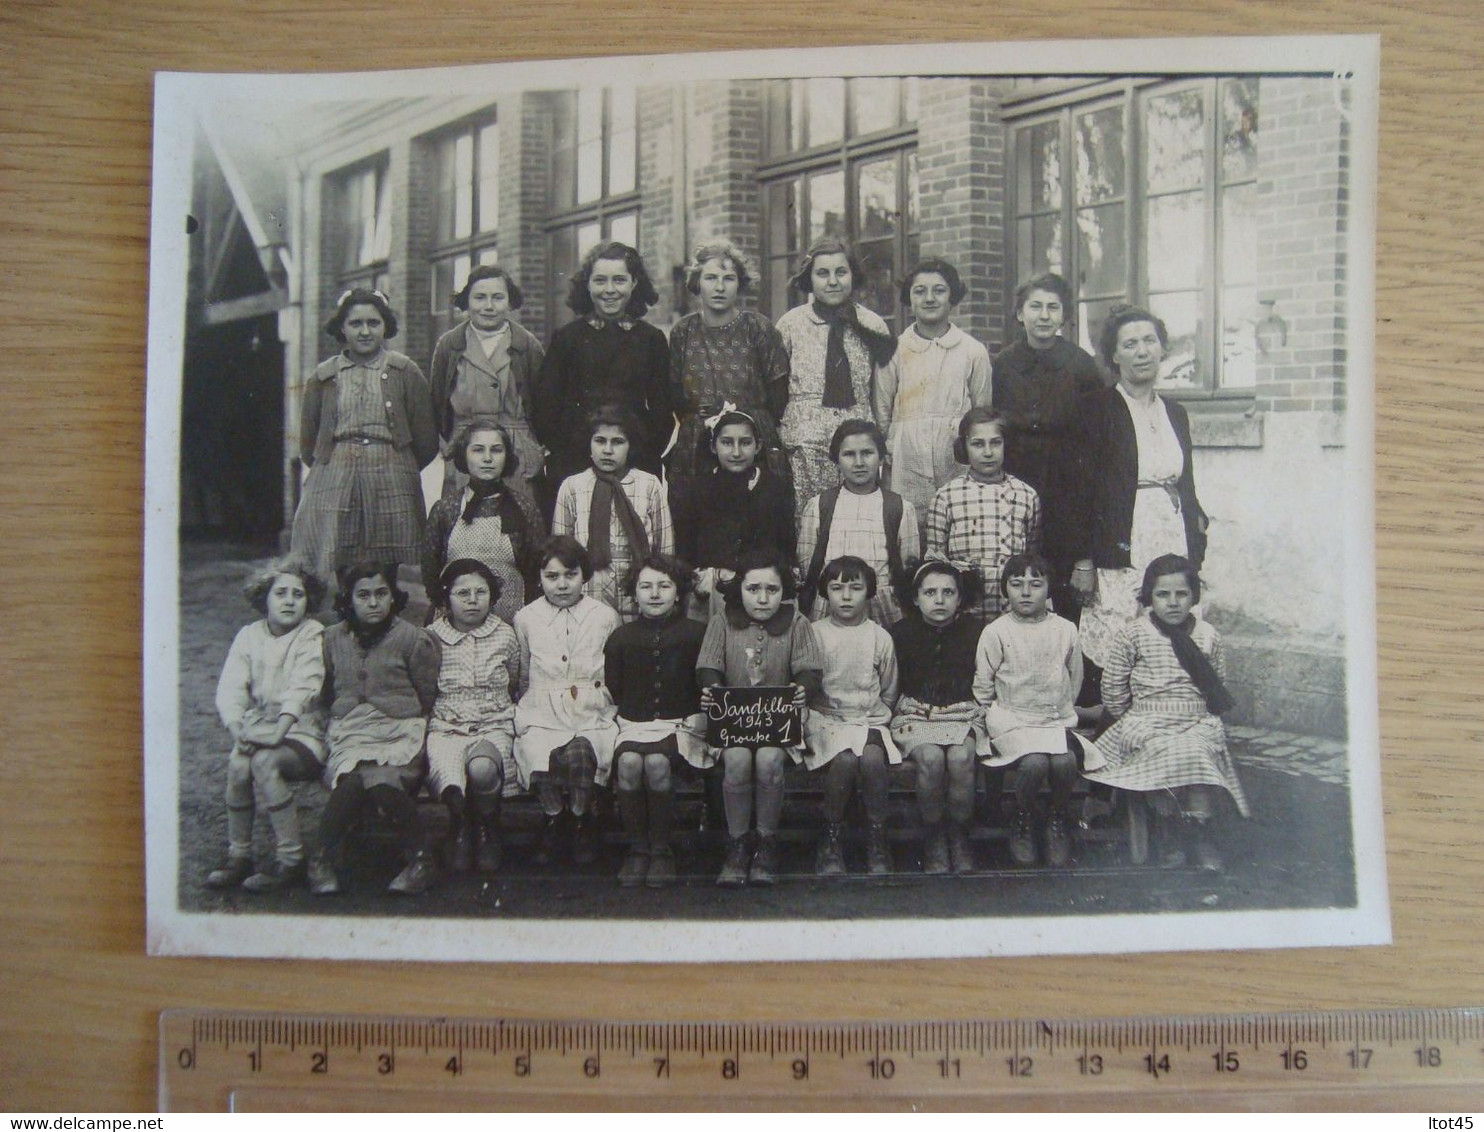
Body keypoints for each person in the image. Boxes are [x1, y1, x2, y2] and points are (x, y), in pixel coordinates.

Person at [1071, 306, 1209, 692]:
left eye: (1150, 341)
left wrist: (1197, 537)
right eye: (1129, 344)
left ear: (1163, 348)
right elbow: (1078, 491)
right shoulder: (1096, 409)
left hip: (1170, 533)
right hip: (1121, 535)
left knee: (1170, 621)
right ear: (1114, 356)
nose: (1142, 351)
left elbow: (1188, 484)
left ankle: (1169, 714)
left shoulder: (1176, 413)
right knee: (1123, 630)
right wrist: (1082, 557)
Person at [1084, 555, 1247, 870]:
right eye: (1163, 595)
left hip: (1194, 721)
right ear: (1149, 597)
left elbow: (1218, 682)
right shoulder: (1134, 634)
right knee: (1162, 750)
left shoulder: (1208, 635)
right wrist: (1134, 719)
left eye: (1181, 594)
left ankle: (1198, 834)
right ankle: (1168, 830)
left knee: (1197, 750)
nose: (1173, 603)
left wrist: (1201, 718)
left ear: (1193, 596)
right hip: (1148, 721)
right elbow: (1114, 689)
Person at [308, 563, 442, 896]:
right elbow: (324, 693)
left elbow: (427, 694)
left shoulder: (412, 638)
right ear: (349, 600)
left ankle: (421, 860)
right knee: (354, 779)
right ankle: (320, 858)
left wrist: (405, 716)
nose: (373, 603)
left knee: (382, 779)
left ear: (393, 597)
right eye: (363, 595)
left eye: (381, 594)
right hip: (351, 730)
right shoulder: (331, 638)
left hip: (400, 730)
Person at [290, 288, 438, 579]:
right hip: (335, 474)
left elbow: (426, 437)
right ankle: (348, 617)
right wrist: (332, 465)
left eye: (373, 323)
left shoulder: (404, 370)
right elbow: (308, 442)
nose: (365, 331)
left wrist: (398, 464)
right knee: (341, 562)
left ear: (386, 326)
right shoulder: (324, 376)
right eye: (356, 324)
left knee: (384, 568)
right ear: (342, 328)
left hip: (391, 474)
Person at [697, 549, 823, 887]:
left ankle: (766, 842)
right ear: (739, 589)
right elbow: (709, 666)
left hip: (778, 724)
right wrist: (711, 687)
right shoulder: (723, 620)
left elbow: (809, 669)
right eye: (754, 589)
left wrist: (802, 688)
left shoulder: (797, 622)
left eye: (772, 589)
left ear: (784, 591)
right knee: (737, 760)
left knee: (768, 760)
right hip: (734, 723)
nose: (763, 598)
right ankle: (737, 844)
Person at [973, 553, 1106, 868]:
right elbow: (983, 684)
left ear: (1049, 589)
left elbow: (1075, 676)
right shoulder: (996, 632)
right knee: (1033, 764)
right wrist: (989, 718)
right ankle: (1022, 819)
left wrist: (1064, 708)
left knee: (1064, 763)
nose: (1026, 592)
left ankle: (1055, 820)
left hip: (1052, 719)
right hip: (1012, 719)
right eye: (1017, 584)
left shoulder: (1065, 629)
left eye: (1035, 584)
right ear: (1005, 589)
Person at [206, 558, 328, 893]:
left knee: (264, 762)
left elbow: (305, 687)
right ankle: (239, 856)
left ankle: (292, 861)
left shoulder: (311, 634)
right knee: (238, 765)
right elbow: (230, 690)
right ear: (265, 599)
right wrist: (237, 730)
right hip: (261, 728)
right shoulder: (248, 636)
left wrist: (277, 733)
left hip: (304, 731)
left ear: (309, 601)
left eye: (298, 594)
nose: (289, 601)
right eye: (281, 593)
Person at [992, 273, 1105, 618]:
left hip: (1068, 486)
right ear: (1020, 313)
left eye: (1052, 308)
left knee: (1064, 584)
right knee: (1019, 574)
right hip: (1017, 480)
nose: (1044, 315)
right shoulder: (1004, 364)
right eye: (1035, 306)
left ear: (1064, 315)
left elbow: (1095, 435)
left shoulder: (1082, 364)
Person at [512, 536, 621, 866]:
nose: (562, 585)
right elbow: (524, 671)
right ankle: (553, 816)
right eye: (552, 576)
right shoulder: (526, 618)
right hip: (542, 705)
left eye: (570, 575)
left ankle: (580, 817)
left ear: (584, 575)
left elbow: (613, 670)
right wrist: (525, 703)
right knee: (536, 749)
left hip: (591, 706)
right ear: (540, 578)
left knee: (585, 752)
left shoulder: (604, 616)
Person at [534, 241, 675, 496]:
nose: (609, 290)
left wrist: (639, 451)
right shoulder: (566, 339)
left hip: (635, 463)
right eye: (600, 281)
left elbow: (662, 410)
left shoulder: (651, 339)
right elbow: (545, 408)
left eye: (619, 280)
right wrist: (567, 450)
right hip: (573, 465)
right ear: (587, 284)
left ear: (634, 283)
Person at [604, 555, 708, 889]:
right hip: (634, 724)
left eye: (664, 586)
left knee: (658, 764)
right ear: (634, 593)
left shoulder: (696, 634)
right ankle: (638, 849)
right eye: (646, 586)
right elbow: (615, 687)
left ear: (678, 592)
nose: (655, 593)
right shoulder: (621, 638)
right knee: (631, 764)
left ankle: (662, 850)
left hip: (682, 725)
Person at [776, 236, 897, 503]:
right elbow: (776, 389)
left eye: (841, 272)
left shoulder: (871, 324)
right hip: (804, 445)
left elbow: (883, 391)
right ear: (810, 278)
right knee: (807, 523)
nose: (833, 281)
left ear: (853, 275)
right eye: (823, 273)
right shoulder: (791, 324)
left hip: (857, 448)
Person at [874, 258, 993, 525]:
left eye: (939, 290)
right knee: (907, 528)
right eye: (920, 291)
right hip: (906, 457)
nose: (929, 298)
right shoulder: (893, 350)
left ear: (952, 296)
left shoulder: (972, 351)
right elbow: (881, 411)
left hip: (954, 457)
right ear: (909, 299)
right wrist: (890, 448)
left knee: (958, 524)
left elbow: (982, 415)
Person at [803, 556, 902, 877]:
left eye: (855, 588)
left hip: (867, 719)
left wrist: (874, 713)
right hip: (825, 721)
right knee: (844, 761)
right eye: (837, 588)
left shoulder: (879, 637)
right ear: (825, 593)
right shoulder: (814, 634)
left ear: (869, 592)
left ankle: (877, 835)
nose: (846, 596)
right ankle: (830, 837)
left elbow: (888, 689)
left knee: (872, 760)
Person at [889, 561, 985, 875]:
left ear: (960, 598)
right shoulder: (901, 633)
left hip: (962, 712)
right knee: (930, 759)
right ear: (915, 598)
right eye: (930, 592)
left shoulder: (976, 632)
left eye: (948, 592)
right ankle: (933, 836)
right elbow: (891, 684)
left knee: (961, 758)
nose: (939, 600)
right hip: (916, 713)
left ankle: (958, 835)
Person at [426, 559, 520, 875]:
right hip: (446, 727)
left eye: (481, 592)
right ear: (446, 599)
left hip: (493, 724)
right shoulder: (430, 639)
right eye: (462, 593)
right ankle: (460, 826)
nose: (472, 600)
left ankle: (487, 828)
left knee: (482, 770)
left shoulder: (505, 635)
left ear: (492, 598)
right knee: (450, 780)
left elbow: (516, 680)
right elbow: (424, 688)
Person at [668, 242, 791, 480]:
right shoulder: (683, 331)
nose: (719, 287)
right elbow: (675, 395)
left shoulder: (758, 328)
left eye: (729, 278)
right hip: (697, 441)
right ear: (697, 283)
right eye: (711, 278)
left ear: (740, 284)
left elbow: (778, 394)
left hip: (750, 440)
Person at [427, 265, 547, 509]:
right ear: (467, 301)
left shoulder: (526, 345)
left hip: (515, 449)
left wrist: (534, 445)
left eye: (497, 297)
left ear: (510, 302)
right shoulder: (450, 345)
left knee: (518, 525)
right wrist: (449, 443)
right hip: (466, 447)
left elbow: (543, 402)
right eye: (480, 297)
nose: (489, 306)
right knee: (464, 521)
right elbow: (436, 400)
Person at [669, 405, 796, 620]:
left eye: (745, 443)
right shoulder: (698, 490)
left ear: (758, 447)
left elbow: (786, 543)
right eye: (727, 443)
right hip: (712, 592)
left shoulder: (775, 488)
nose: (736, 452)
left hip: (762, 591)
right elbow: (685, 547)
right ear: (713, 446)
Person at [551, 405, 673, 620]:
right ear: (588, 444)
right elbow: (561, 554)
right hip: (589, 597)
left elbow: (665, 550)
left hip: (638, 597)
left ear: (630, 446)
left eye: (617, 442)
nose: (607, 450)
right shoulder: (572, 487)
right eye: (600, 441)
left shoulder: (649, 485)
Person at [421, 419, 543, 627]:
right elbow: (431, 572)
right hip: (454, 622)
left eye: (496, 450)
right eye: (478, 450)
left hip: (511, 621)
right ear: (464, 456)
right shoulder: (445, 509)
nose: (487, 459)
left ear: (507, 457)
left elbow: (534, 570)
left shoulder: (525, 508)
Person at [796, 419, 919, 626]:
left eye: (867, 453)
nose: (859, 462)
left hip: (883, 607)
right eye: (849, 454)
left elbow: (908, 564)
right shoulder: (819, 506)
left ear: (881, 458)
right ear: (837, 460)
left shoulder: (899, 508)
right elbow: (808, 563)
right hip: (832, 604)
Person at [925, 407, 1042, 620]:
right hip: (965, 615)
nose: (988, 452)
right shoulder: (946, 497)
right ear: (964, 448)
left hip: (1012, 612)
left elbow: (1031, 557)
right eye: (978, 444)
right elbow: (936, 564)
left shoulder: (1026, 495)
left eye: (995, 443)